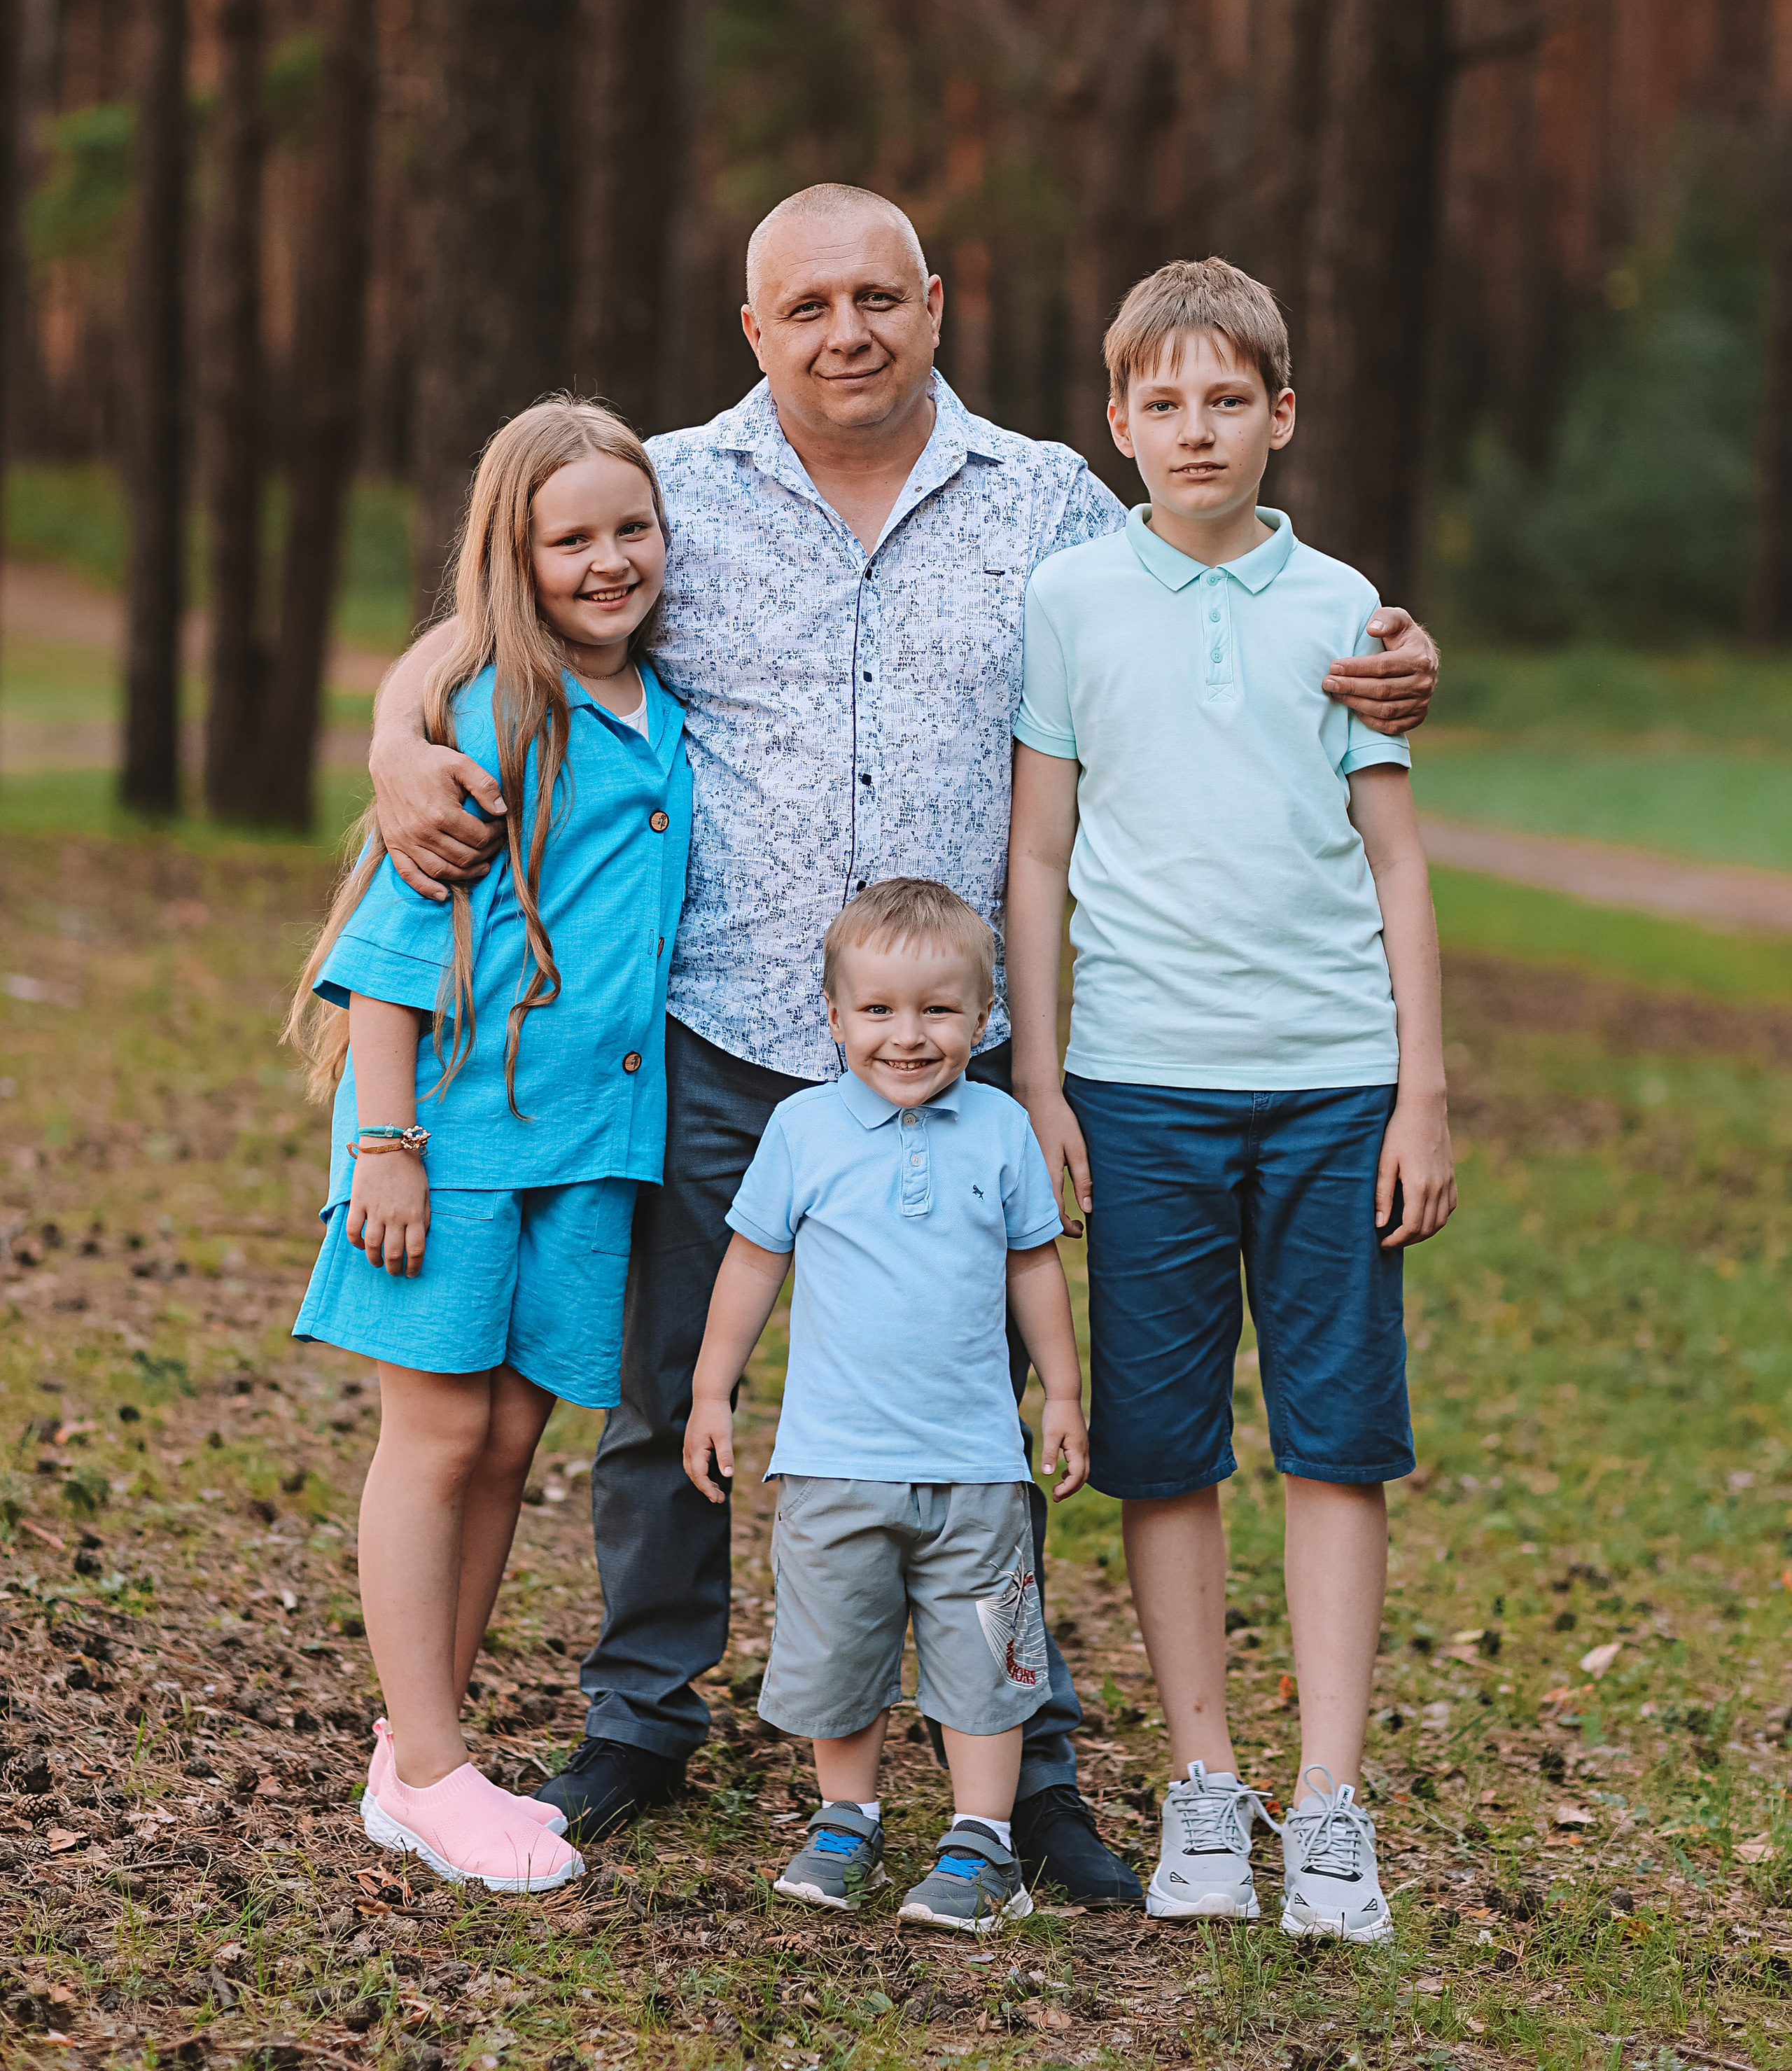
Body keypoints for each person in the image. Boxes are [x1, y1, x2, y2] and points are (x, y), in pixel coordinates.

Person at [364, 182, 1441, 1898]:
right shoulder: (677, 490)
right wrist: (396, 736)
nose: (845, 331)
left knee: (977, 1415)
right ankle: (645, 1710)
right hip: (720, 1025)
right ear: (753, 330)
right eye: (806, 307)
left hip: (957, 1054)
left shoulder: (1040, 499)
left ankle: (1019, 1760)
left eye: (879, 296)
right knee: (666, 1397)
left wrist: (1388, 646)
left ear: (935, 304)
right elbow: (504, 595)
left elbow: (1204, 580)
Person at [1007, 258, 1457, 1944]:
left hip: (1334, 1084)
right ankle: (1206, 1786)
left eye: (1225, 402)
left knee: (1335, 1443)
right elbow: (1037, 855)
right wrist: (1044, 1081)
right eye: (1159, 403)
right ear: (1114, 423)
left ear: (1281, 415)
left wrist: (1421, 1094)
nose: (1192, 431)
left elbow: (1397, 867)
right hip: (1137, 1084)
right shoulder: (1069, 601)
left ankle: (1327, 1805)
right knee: (1163, 1448)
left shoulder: (1347, 610)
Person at [284, 398, 691, 1895]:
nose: (605, 560)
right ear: (509, 559)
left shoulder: (668, 708)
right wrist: (383, 1140)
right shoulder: (490, 719)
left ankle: (415, 1749)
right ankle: (439, 1769)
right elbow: (398, 943)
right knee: (438, 1435)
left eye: (628, 529)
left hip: (590, 1149)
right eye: (568, 538)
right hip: (447, 1139)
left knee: (513, 1440)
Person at [683, 880, 1088, 1933]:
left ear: (984, 1016)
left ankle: (981, 1840)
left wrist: (1062, 1393)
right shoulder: (802, 1130)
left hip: (978, 1467)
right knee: (840, 1648)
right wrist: (711, 1389)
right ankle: (844, 1819)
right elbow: (751, 1263)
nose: (908, 1038)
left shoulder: (1001, 1128)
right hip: (832, 1461)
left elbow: (1037, 1268)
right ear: (833, 1016)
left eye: (939, 1011)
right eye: (878, 1011)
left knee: (990, 1656)